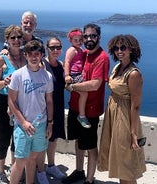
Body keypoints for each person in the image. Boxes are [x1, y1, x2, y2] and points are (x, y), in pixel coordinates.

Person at [62, 23, 110, 184]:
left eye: (93, 36)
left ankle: (89, 180)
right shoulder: (83, 54)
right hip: (76, 106)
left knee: (90, 146)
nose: (89, 39)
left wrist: (72, 86)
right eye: (86, 36)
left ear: (99, 37)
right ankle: (79, 171)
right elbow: (69, 65)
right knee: (78, 141)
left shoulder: (101, 58)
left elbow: (95, 84)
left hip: (90, 111)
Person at [97, 34, 146, 184]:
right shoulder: (118, 67)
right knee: (119, 160)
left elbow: (135, 105)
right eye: (117, 48)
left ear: (131, 49)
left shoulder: (133, 74)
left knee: (126, 162)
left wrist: (133, 133)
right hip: (114, 113)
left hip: (125, 118)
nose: (119, 51)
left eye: (123, 47)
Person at [8, 40, 54, 184]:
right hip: (23, 126)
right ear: (25, 55)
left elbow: (49, 101)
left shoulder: (47, 76)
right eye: (30, 54)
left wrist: (50, 124)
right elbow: (11, 101)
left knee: (33, 158)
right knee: (20, 160)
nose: (33, 57)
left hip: (40, 124)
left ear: (41, 55)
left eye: (37, 54)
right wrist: (23, 122)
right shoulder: (17, 75)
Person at [0, 25, 26, 184]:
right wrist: (4, 82)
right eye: (13, 38)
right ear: (7, 40)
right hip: (5, 100)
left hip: (21, 100)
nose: (17, 40)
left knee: (17, 137)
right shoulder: (2, 58)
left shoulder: (25, 57)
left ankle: (14, 168)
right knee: (4, 137)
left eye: (19, 37)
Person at [36, 37, 66, 183]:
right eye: (52, 47)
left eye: (58, 47)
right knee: (43, 141)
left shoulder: (61, 65)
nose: (55, 50)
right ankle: (40, 171)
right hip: (46, 108)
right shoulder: (43, 65)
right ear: (46, 48)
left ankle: (51, 165)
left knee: (53, 139)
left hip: (59, 107)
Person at [64, 28, 90, 128]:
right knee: (84, 92)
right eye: (76, 40)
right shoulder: (72, 50)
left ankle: (82, 114)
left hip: (78, 74)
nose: (79, 42)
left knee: (85, 91)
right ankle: (82, 115)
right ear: (71, 41)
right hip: (73, 75)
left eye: (80, 40)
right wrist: (67, 76)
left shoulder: (80, 50)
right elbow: (67, 62)